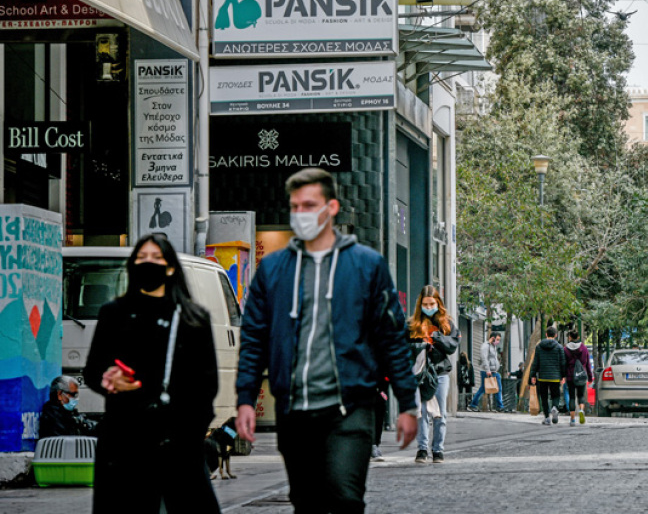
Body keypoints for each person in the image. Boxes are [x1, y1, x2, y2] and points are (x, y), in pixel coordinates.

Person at [236, 168, 418, 513]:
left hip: (350, 406)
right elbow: (254, 338)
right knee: (306, 503)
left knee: (345, 497)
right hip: (295, 410)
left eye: (309, 205)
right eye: (295, 206)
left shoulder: (367, 265)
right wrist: (246, 398)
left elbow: (391, 337)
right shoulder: (273, 269)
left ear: (331, 207)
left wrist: (407, 402)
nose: (301, 214)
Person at [83, 234, 220, 513]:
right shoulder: (114, 313)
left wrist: (192, 435)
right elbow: (93, 370)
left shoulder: (192, 318)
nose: (149, 264)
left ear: (170, 268)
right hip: (124, 439)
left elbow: (207, 384)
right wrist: (109, 379)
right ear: (132, 265)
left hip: (178, 440)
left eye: (156, 258)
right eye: (142, 258)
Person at [409, 285, 460, 463]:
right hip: (421, 373)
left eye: (432, 303)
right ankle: (422, 449)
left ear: (438, 303)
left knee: (440, 413)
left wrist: (435, 338)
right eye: (425, 304)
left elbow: (452, 346)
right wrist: (420, 344)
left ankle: (438, 449)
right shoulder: (413, 324)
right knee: (422, 411)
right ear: (420, 304)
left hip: (440, 371)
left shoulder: (447, 323)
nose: (429, 307)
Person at [529, 326, 567, 425]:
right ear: (555, 335)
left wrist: (532, 375)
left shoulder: (539, 346)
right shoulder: (559, 347)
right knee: (556, 395)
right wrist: (563, 375)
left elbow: (535, 362)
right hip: (555, 376)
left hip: (542, 377)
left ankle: (546, 417)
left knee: (544, 397)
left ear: (546, 334)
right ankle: (554, 407)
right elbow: (563, 362)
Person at [563, 329, 594, 427]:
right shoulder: (584, 348)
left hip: (570, 376)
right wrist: (589, 377)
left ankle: (572, 419)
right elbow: (588, 364)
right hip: (581, 375)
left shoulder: (565, 349)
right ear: (578, 337)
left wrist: (563, 376)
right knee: (581, 396)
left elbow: (564, 364)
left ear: (570, 337)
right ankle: (581, 410)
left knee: (572, 397)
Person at [469, 332, 505, 412]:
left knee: (498, 388)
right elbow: (484, 358)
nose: (498, 341)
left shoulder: (493, 346)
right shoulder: (485, 346)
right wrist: (488, 370)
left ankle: (500, 406)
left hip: (494, 371)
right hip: (488, 371)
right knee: (483, 389)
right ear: (493, 338)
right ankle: (473, 405)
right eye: (497, 339)